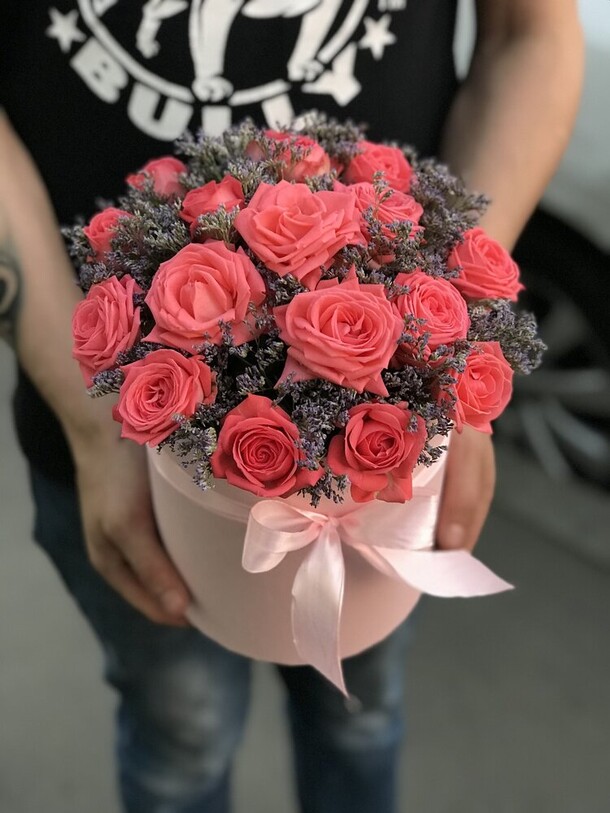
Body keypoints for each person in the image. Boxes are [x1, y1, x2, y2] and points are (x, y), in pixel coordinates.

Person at [0, 2, 583, 811]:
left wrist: (450, 350)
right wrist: (92, 423)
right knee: (182, 739)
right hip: (99, 429)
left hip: (393, 452)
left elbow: (530, 33)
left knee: (361, 712)